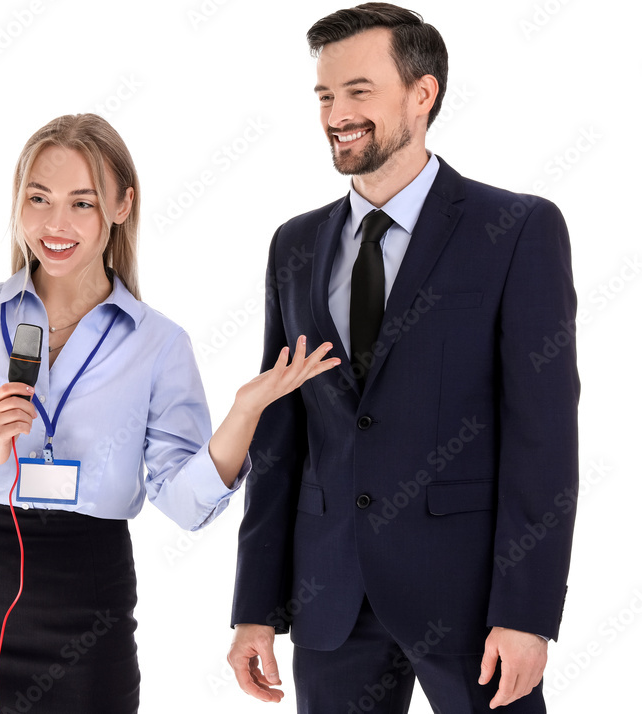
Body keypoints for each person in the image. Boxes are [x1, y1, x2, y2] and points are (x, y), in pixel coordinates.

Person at [0, 113, 339, 714]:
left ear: (122, 206)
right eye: (38, 198)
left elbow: (183, 501)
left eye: (82, 203)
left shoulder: (158, 343)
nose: (55, 225)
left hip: (87, 597)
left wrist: (243, 412)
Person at [228, 4, 578, 713]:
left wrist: (529, 611)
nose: (337, 113)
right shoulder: (293, 246)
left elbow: (543, 439)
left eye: (359, 91)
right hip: (330, 599)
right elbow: (280, 438)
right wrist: (254, 606)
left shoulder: (514, 229)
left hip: (473, 602)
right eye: (325, 95)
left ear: (423, 94)